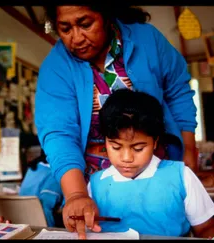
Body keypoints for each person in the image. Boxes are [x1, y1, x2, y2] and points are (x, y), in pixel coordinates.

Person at [35, 5, 202, 238]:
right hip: (93, 186)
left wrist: (189, 150)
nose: (76, 38)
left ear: (105, 15)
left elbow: (178, 92)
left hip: (156, 172)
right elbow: (59, 134)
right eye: (65, 29)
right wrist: (76, 195)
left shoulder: (148, 40)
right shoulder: (56, 68)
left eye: (85, 24)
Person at [88, 89, 214, 239]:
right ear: (105, 142)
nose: (127, 158)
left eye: (138, 148)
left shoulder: (180, 176)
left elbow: (206, 228)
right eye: (116, 147)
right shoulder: (95, 185)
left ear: (155, 142)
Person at [18, 150, 63, 227]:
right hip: (42, 226)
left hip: (21, 223)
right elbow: (45, 205)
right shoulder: (55, 173)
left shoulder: (33, 168)